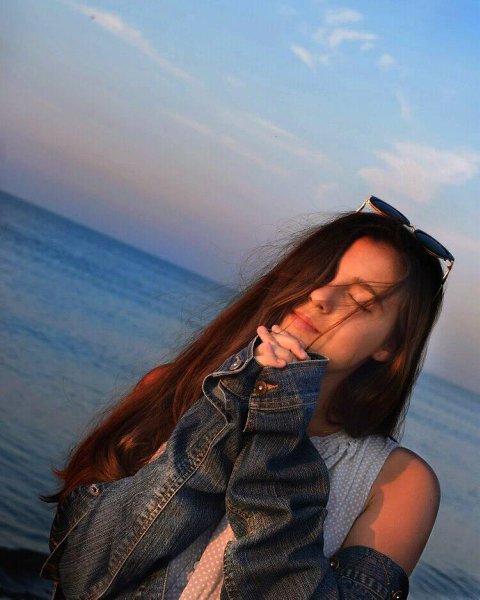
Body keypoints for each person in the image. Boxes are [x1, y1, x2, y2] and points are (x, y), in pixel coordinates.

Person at [39, 196, 454, 599]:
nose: (320, 297)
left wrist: (279, 423)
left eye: (360, 301)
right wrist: (228, 407)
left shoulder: (397, 483)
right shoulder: (170, 389)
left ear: (390, 346)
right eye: (321, 274)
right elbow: (81, 574)